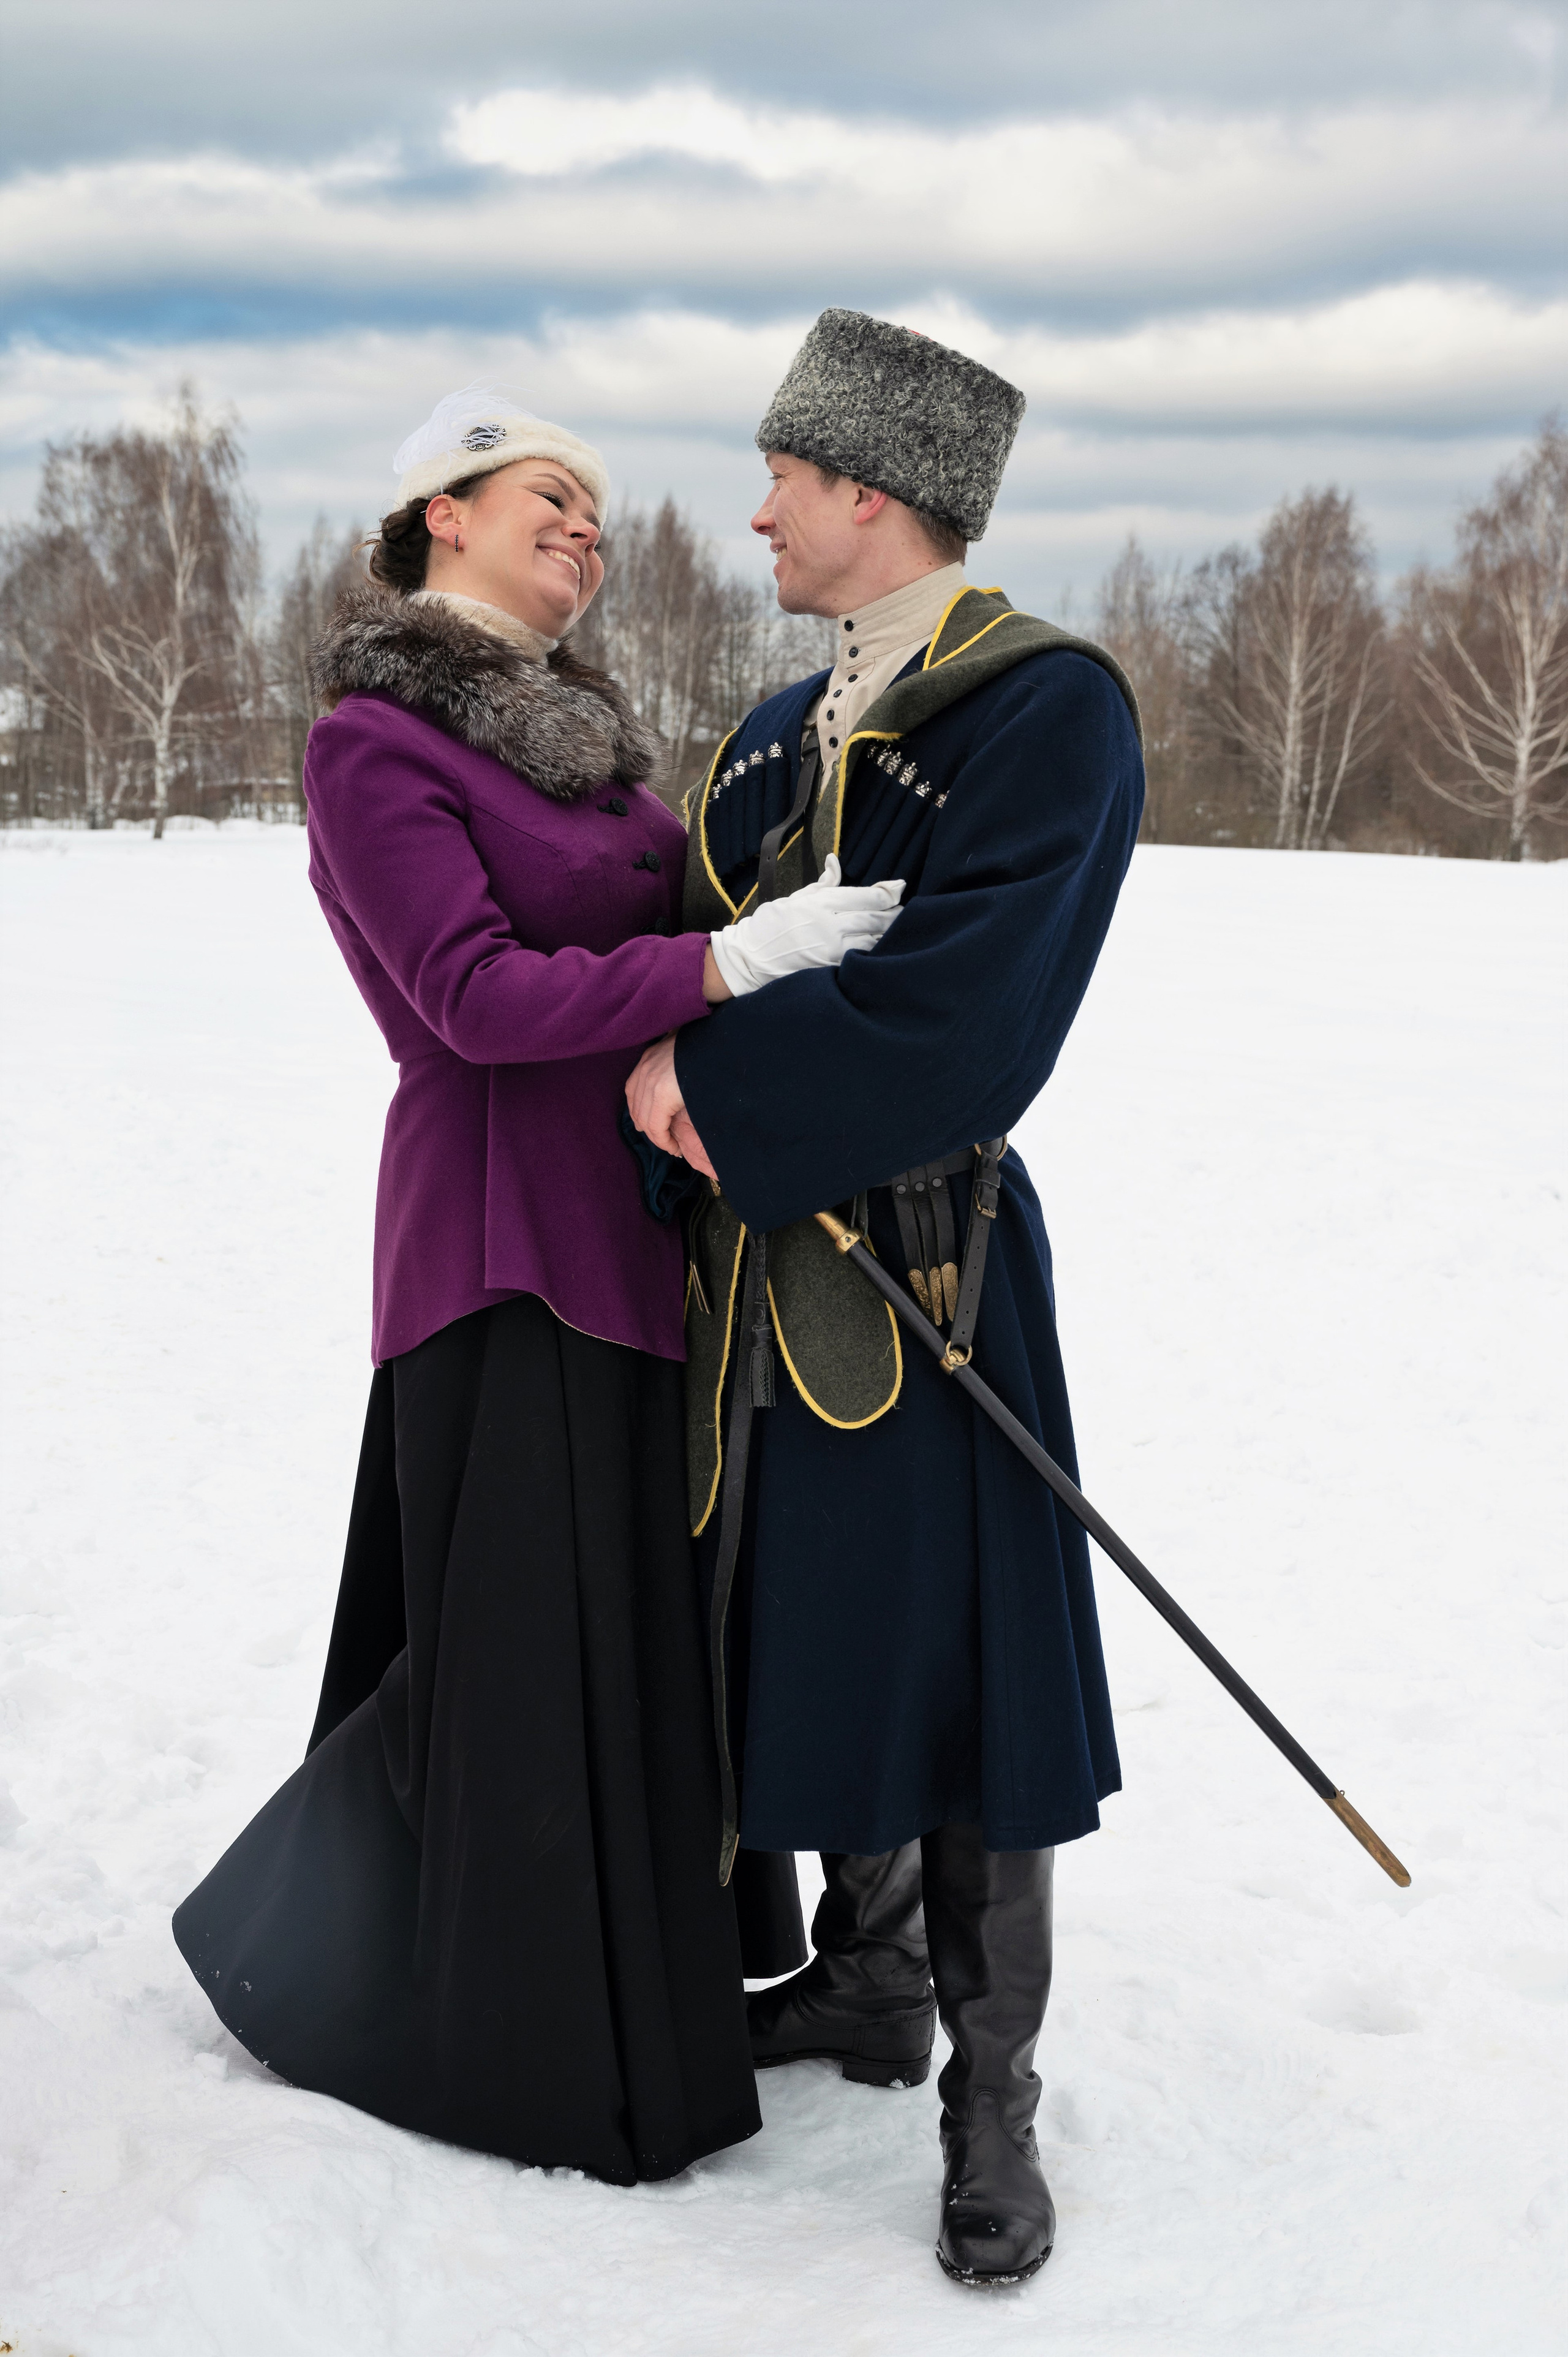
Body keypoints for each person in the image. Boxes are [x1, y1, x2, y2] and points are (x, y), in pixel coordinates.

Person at [172, 386, 902, 2185]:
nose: (586, 525)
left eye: (598, 505)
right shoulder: (377, 743)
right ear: (444, 515)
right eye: (548, 496)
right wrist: (726, 968)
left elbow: (654, 920)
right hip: (502, 1240)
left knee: (614, 1642)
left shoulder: (591, 741)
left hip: (641, 1231)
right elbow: (474, 1003)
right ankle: (477, 2023)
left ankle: (632, 2000)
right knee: (521, 1651)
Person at [625, 312, 1145, 2280]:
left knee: (966, 1681)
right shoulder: (769, 732)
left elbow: (973, 1018)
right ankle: (863, 1980)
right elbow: (682, 953)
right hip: (752, 1286)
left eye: (782, 475)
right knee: (806, 1634)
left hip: (934, 1269)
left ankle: (991, 2095)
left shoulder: (1044, 711)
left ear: (871, 490)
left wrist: (716, 1081)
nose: (754, 509)